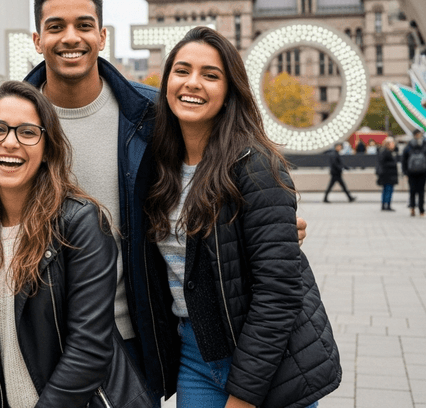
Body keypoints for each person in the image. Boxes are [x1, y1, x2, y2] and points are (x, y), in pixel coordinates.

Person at [22, 0, 307, 406]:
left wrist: (274, 228)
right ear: (37, 39)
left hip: (135, 337)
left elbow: (222, 173)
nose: (70, 38)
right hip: (38, 334)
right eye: (55, 26)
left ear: (102, 35)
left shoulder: (151, 117)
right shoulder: (8, 125)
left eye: (83, 25)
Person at [138, 27, 340, 408]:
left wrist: (244, 397)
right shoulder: (157, 167)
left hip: (269, 365)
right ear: (166, 82)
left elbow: (279, 293)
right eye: (181, 71)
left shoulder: (255, 166)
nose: (192, 83)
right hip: (196, 356)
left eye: (210, 75)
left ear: (230, 91)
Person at [0, 81, 151, 407]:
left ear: (48, 148)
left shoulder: (80, 223)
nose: (10, 142)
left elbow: (88, 348)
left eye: (27, 132)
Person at [402, 129, 426, 217]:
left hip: (411, 172)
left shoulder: (409, 145)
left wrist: (405, 172)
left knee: (412, 191)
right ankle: (421, 210)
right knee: (421, 191)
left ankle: (412, 208)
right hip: (422, 172)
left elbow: (404, 160)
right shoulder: (424, 145)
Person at [376, 137, 398, 212]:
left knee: (386, 190)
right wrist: (393, 164)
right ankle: (387, 205)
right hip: (388, 175)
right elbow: (385, 163)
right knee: (388, 190)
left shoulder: (384, 152)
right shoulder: (387, 153)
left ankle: (384, 204)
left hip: (386, 174)